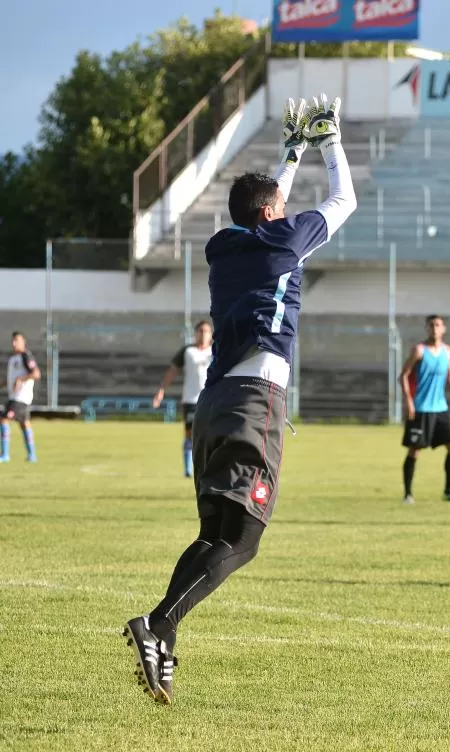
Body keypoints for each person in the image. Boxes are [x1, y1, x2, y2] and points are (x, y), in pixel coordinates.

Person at [123, 94, 357, 705]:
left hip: (215, 400)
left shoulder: (222, 246)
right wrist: (328, 140)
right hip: (257, 398)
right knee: (245, 537)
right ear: (273, 213)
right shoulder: (283, 241)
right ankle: (160, 625)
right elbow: (344, 200)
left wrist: (289, 154)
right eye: (280, 205)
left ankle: (163, 636)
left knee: (214, 533)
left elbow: (260, 205)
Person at [399, 315, 450, 505]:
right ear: (426, 329)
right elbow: (403, 376)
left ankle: (449, 491)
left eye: (438, 325)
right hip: (421, 409)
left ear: (443, 329)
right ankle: (408, 495)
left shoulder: (448, 352)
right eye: (431, 325)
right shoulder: (419, 351)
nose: (434, 328)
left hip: (441, 409)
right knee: (414, 451)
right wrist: (409, 402)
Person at [152, 321, 214, 477]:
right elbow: (172, 371)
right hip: (191, 400)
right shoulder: (188, 351)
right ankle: (188, 469)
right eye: (200, 330)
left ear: (211, 334)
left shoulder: (215, 351)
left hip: (211, 400)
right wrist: (161, 390)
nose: (203, 334)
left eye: (206, 331)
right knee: (190, 434)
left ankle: (207, 466)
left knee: (210, 434)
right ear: (195, 333)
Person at [2, 332, 41, 463]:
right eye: (13, 341)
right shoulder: (14, 358)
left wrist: (21, 379)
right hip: (16, 397)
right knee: (24, 424)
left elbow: (36, 374)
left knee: (4, 420)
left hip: (20, 398)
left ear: (23, 341)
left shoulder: (25, 356)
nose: (14, 343)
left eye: (17, 340)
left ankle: (5, 455)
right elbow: (12, 378)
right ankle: (32, 455)